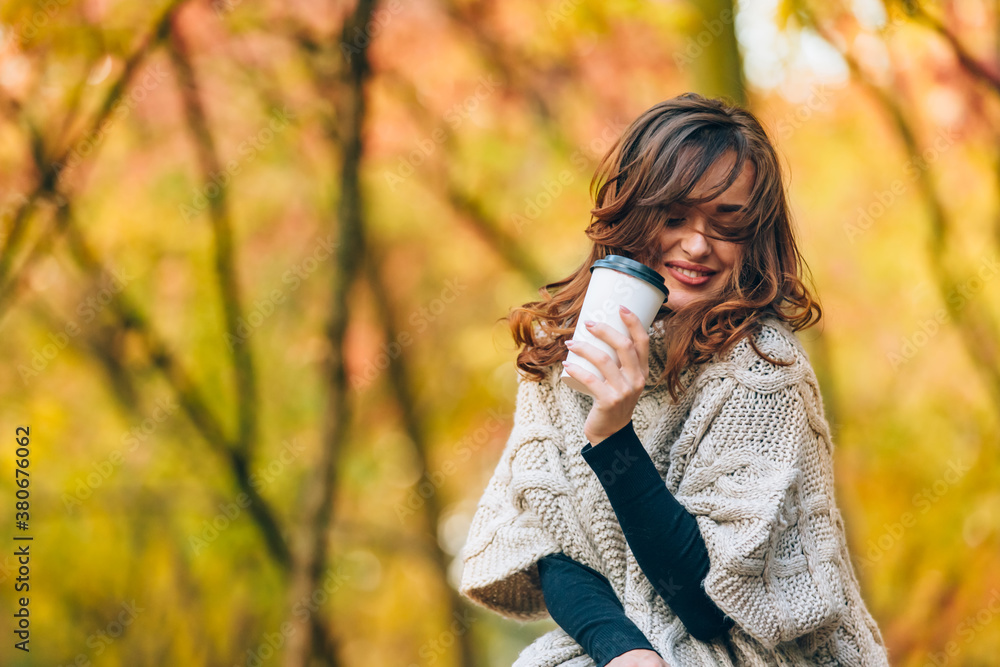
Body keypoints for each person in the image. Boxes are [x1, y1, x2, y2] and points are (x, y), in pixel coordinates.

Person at [458, 92, 892, 666]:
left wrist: (613, 435)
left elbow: (712, 604)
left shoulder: (764, 371)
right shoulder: (562, 354)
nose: (696, 244)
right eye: (674, 216)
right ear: (634, 212)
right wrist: (621, 650)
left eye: (727, 224)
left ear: (755, 238)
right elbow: (552, 547)